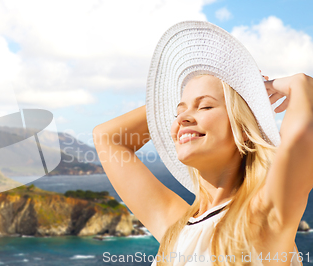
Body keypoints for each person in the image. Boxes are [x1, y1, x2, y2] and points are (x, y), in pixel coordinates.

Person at [92, 21, 312, 266]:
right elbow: (108, 138)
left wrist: (292, 84)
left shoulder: (261, 217)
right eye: (178, 112)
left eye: (206, 106)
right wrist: (173, 100)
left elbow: (302, 135)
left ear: (244, 128)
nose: (182, 119)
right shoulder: (176, 227)